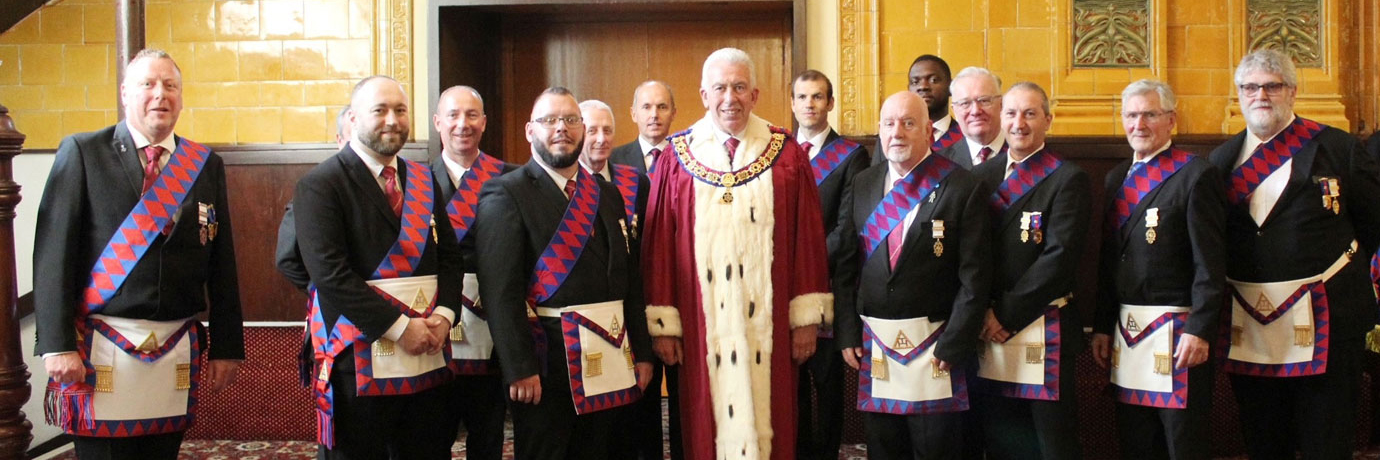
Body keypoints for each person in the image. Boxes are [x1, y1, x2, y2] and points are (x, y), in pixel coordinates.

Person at [34, 48, 244, 459]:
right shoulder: (83, 152)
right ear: (125, 93)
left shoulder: (205, 164)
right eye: (147, 84)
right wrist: (56, 344)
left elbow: (221, 262)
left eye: (170, 85)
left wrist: (227, 345)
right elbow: (53, 255)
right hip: (99, 351)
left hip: (174, 353)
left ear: (181, 97)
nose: (159, 95)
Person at [640, 47, 832, 460]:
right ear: (704, 95)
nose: (731, 98)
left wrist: (805, 320)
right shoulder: (677, 157)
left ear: (755, 94)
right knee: (700, 422)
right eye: (721, 88)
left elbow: (809, 241)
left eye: (740, 87)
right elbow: (658, 245)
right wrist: (664, 324)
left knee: (777, 420)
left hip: (773, 322)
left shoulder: (787, 153)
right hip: (697, 325)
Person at [1208, 49, 1380, 459]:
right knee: (1264, 435)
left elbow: (1373, 223)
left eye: (1272, 86)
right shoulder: (1220, 161)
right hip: (1251, 319)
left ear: (1293, 92)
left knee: (1327, 434)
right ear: (1239, 95)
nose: (1261, 95)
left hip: (1327, 317)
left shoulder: (1338, 149)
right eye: (1250, 87)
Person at [475, 87, 653, 460]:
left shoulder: (606, 194)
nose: (562, 128)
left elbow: (628, 280)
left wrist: (642, 351)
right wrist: (519, 366)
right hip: (546, 365)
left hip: (609, 353)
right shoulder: (505, 193)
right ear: (530, 131)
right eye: (550, 120)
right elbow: (500, 292)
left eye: (571, 120)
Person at [295, 75, 463, 459]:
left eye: (400, 110)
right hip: (359, 359)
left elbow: (451, 256)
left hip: (427, 353)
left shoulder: (422, 179)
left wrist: (444, 314)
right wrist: (401, 328)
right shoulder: (320, 184)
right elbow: (330, 274)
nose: (392, 119)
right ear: (353, 118)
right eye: (380, 110)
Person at [832, 90, 993, 460]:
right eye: (889, 124)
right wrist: (846, 331)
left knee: (936, 451)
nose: (897, 133)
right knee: (884, 450)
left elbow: (975, 278)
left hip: (936, 349)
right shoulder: (864, 184)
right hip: (876, 348)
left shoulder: (962, 187)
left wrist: (954, 343)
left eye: (908, 123)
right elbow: (846, 266)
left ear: (928, 133)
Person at [1089, 79, 1227, 460]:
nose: (1139, 124)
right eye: (1131, 115)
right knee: (1135, 441)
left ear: (1171, 121)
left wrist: (1201, 329)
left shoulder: (1195, 175)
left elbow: (1210, 263)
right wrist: (1102, 324)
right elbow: (1108, 260)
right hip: (1128, 334)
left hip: (1179, 335)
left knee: (1182, 444)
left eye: (1150, 114)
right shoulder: (1117, 178)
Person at [969, 82, 1090, 460]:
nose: (1018, 123)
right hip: (990, 330)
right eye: (1011, 113)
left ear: (1048, 120)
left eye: (1030, 113)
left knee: (1052, 444)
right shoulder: (981, 177)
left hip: (1042, 324)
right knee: (1002, 440)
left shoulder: (1067, 178)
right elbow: (972, 252)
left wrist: (1004, 313)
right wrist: (985, 312)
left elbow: (1059, 257)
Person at [431, 85, 518, 460]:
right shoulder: (414, 181)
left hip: (490, 330)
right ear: (438, 123)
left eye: (471, 116)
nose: (461, 124)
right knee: (430, 436)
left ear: (484, 123)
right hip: (435, 329)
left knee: (488, 436)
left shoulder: (509, 179)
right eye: (452, 115)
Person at [789, 68, 871, 460]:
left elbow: (848, 224)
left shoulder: (852, 155)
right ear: (792, 104)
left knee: (827, 383)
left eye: (817, 97)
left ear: (830, 103)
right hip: (784, 286)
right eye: (802, 97)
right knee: (791, 385)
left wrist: (806, 261)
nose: (810, 104)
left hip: (829, 284)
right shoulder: (780, 152)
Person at [278, 105, 353, 292]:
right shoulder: (318, 188)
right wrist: (322, 292)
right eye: (354, 142)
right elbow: (287, 259)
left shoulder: (399, 184)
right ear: (339, 141)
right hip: (337, 310)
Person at [936, 67, 1006, 169]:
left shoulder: (1023, 154)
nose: (975, 111)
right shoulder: (940, 164)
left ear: (1001, 104)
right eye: (965, 103)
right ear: (954, 110)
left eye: (984, 101)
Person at [612, 80, 678, 173]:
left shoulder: (685, 159)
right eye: (646, 107)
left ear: (673, 114)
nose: (654, 115)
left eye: (662, 107)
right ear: (633, 114)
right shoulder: (613, 160)